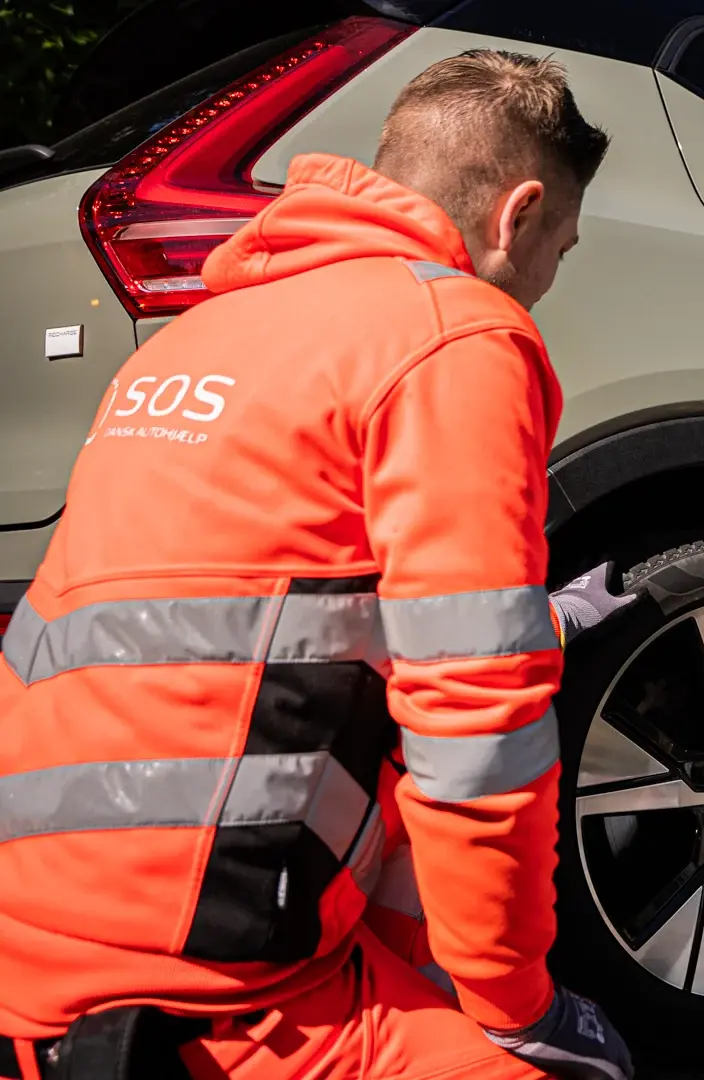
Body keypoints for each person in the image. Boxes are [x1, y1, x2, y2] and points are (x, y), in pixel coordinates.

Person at [0, 51, 637, 1080]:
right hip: (204, 988)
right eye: (559, 247)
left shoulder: (186, 338)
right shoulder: (456, 334)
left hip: (26, 942)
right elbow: (474, 723)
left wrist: (542, 624)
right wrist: (522, 1007)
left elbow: (244, 622)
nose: (548, 279)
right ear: (518, 215)